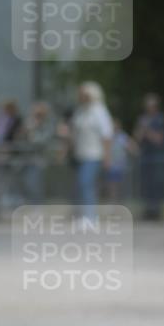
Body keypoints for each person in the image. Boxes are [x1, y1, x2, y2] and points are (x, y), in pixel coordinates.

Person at [69, 81, 113, 225]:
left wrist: (107, 156)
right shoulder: (80, 111)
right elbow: (74, 131)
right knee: (80, 185)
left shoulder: (99, 111)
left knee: (85, 183)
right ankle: (83, 215)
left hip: (94, 155)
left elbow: (106, 135)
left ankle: (90, 217)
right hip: (80, 155)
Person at [134, 94, 164, 220]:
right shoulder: (142, 119)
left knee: (157, 183)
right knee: (146, 183)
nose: (149, 108)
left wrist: (147, 131)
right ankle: (147, 209)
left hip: (157, 156)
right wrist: (141, 130)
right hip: (145, 156)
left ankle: (157, 210)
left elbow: (159, 139)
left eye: (151, 106)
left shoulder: (161, 119)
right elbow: (137, 138)